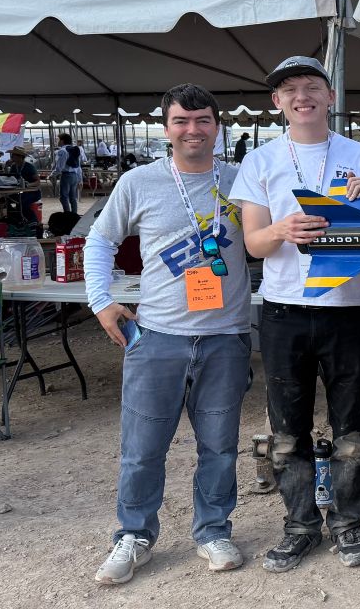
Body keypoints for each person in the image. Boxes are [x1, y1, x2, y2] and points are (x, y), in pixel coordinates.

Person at [230, 55, 360, 573]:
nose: (301, 96)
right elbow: (253, 244)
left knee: (349, 425)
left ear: (329, 97)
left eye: (311, 86)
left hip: (349, 308)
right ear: (276, 103)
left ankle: (347, 523)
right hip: (283, 309)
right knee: (287, 428)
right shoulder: (259, 161)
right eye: (289, 90)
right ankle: (300, 524)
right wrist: (282, 229)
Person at [85, 84, 252, 585]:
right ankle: (133, 535)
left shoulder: (243, 179)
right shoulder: (140, 182)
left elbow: (290, 218)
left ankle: (213, 530)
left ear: (217, 126)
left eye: (202, 120)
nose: (192, 130)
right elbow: (100, 239)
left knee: (220, 446)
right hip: (156, 336)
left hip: (225, 336)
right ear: (166, 128)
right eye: (181, 121)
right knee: (142, 447)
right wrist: (101, 301)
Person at [51, 132, 87, 214]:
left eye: (58, 139)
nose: (57, 141)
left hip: (66, 176)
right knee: (73, 198)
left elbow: (59, 167)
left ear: (62, 141)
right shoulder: (74, 149)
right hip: (75, 176)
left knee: (63, 197)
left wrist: (52, 175)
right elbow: (78, 167)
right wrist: (80, 179)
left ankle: (67, 215)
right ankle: (74, 215)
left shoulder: (62, 151)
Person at [6, 146, 42, 223]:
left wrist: (28, 185)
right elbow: (9, 179)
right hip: (19, 192)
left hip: (33, 192)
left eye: (13, 155)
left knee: (22, 203)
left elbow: (38, 182)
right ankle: (15, 219)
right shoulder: (13, 166)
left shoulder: (29, 167)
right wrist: (6, 167)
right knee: (4, 200)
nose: (11, 157)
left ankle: (34, 222)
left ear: (20, 157)